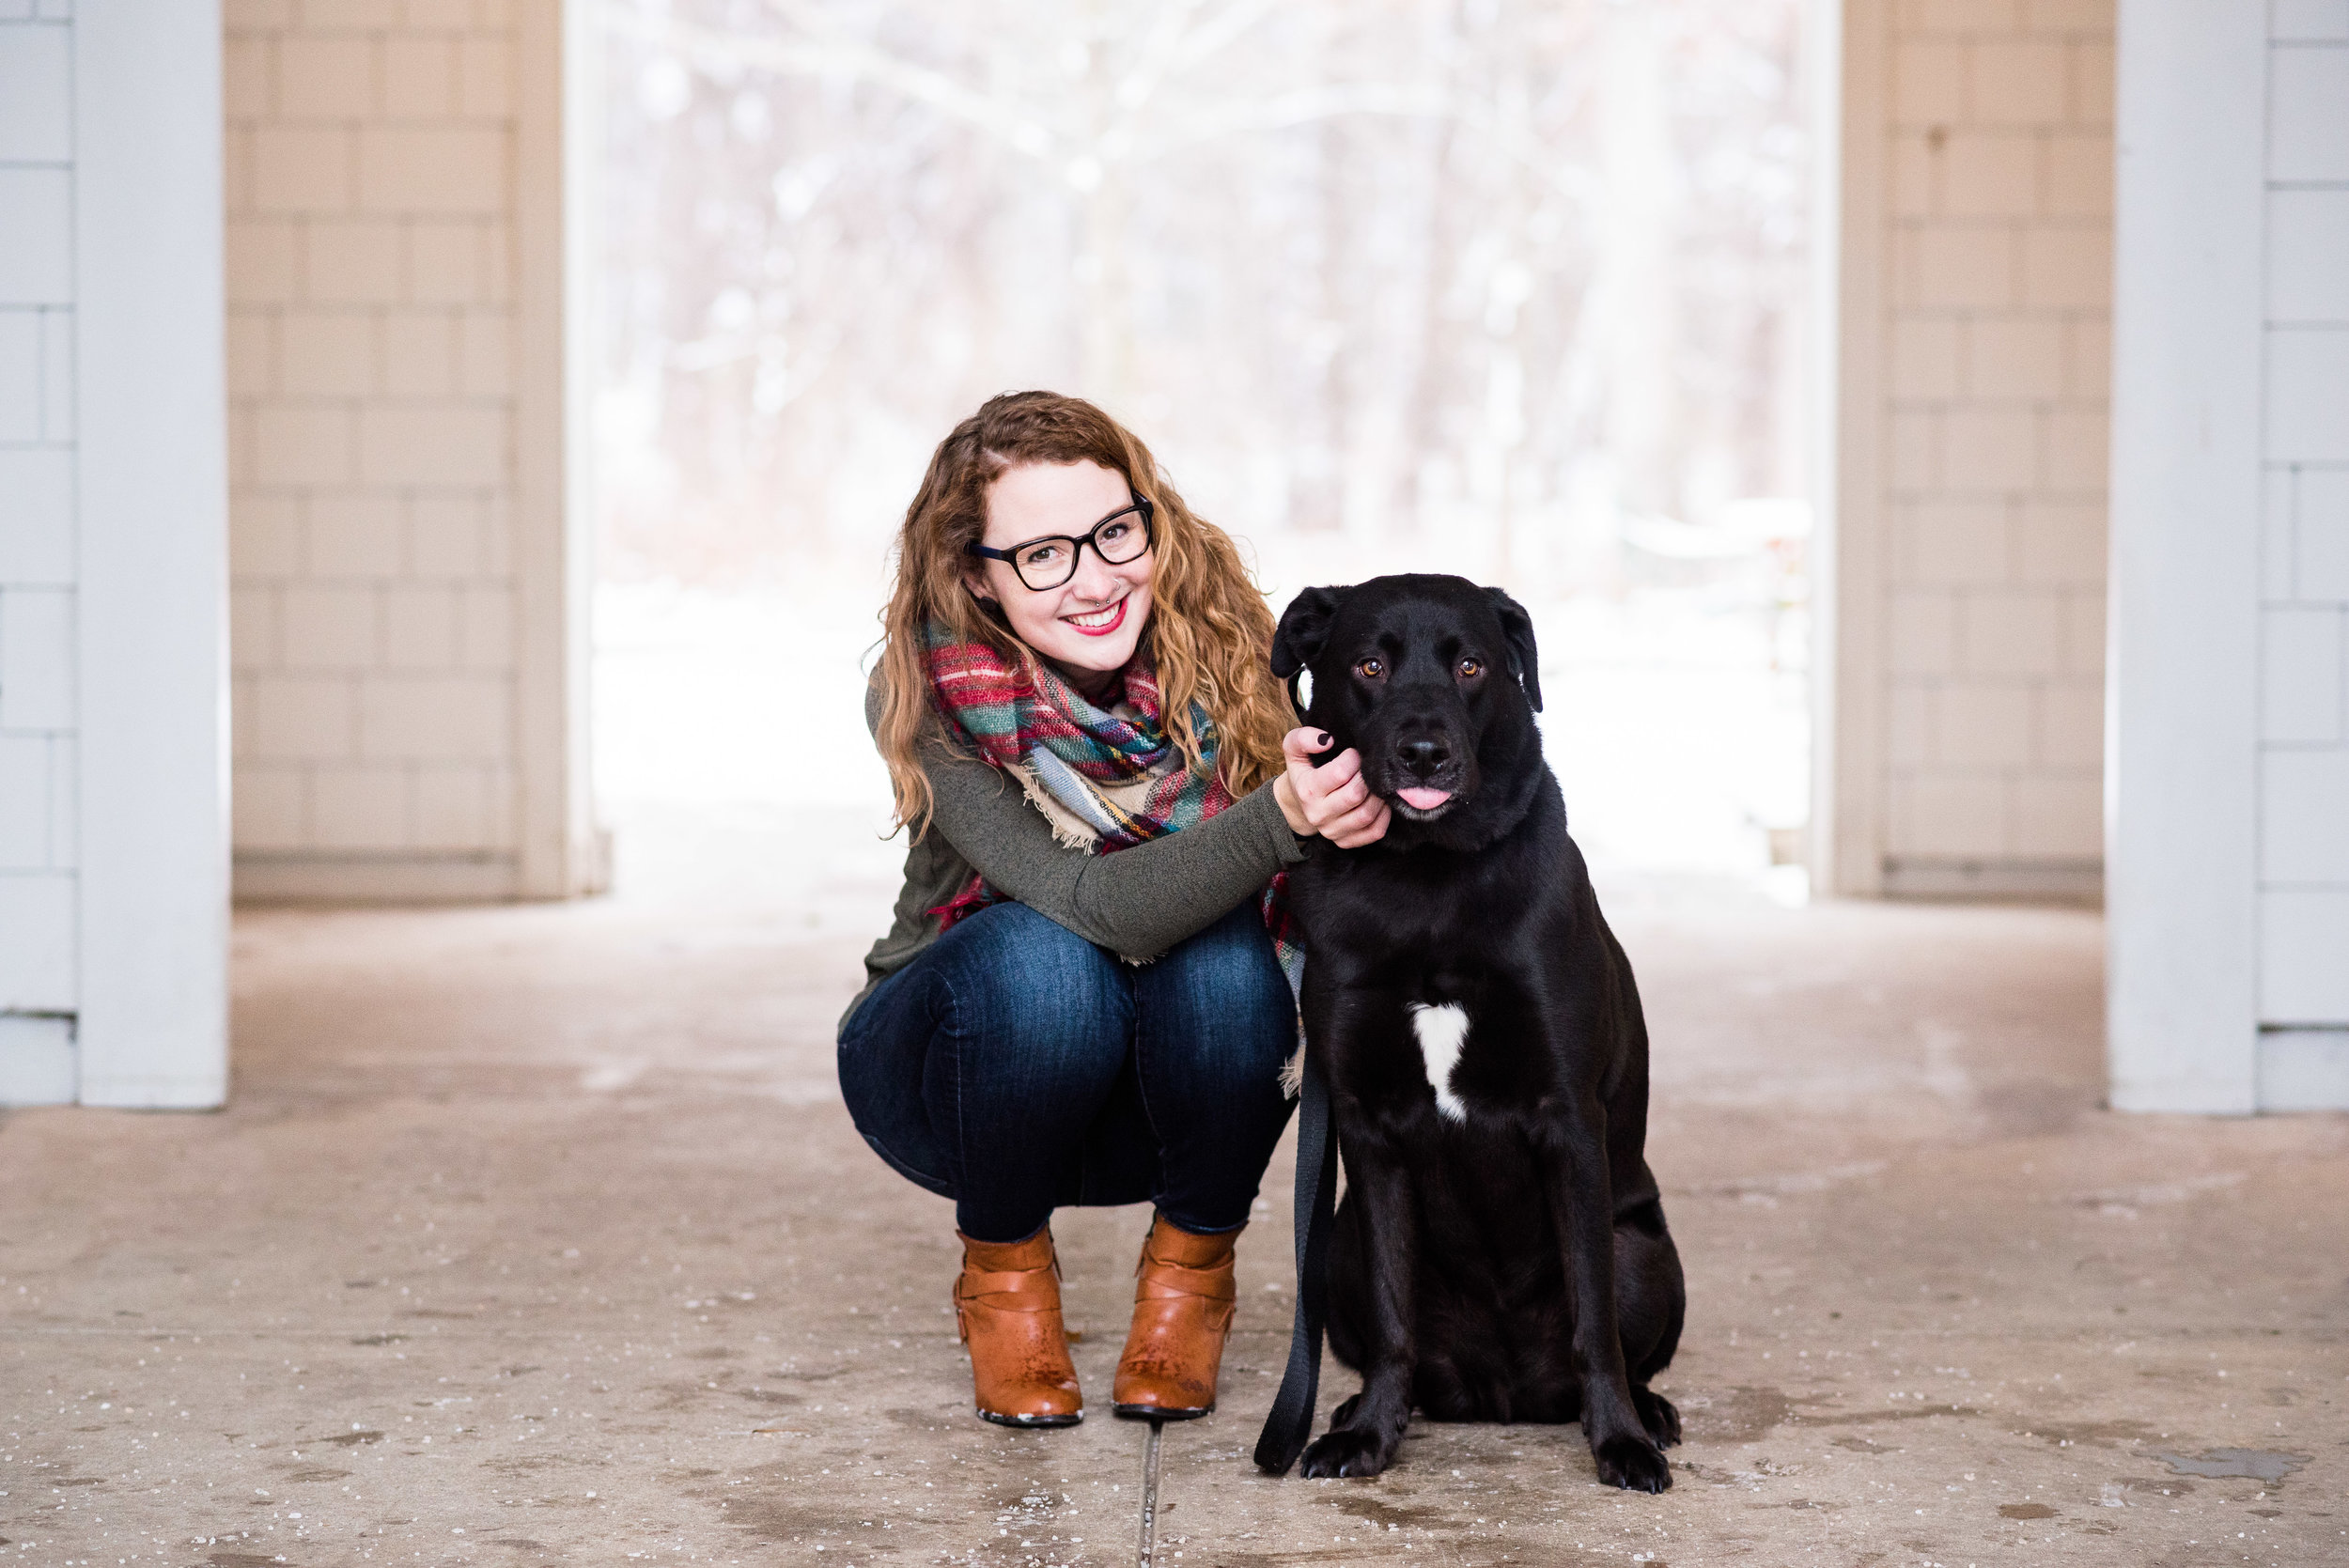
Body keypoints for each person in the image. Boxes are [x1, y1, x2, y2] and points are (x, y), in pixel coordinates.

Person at [837, 391, 1390, 1428]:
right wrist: (1279, 818)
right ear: (975, 574)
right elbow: (1099, 904)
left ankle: (1190, 1279)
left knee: (1233, 954)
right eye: (1042, 554)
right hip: (954, 1074)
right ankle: (1002, 1287)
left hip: (1177, 1094)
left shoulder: (1233, 641)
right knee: (1040, 955)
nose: (1094, 578)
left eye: (1112, 532)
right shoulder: (927, 686)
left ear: (1149, 520)